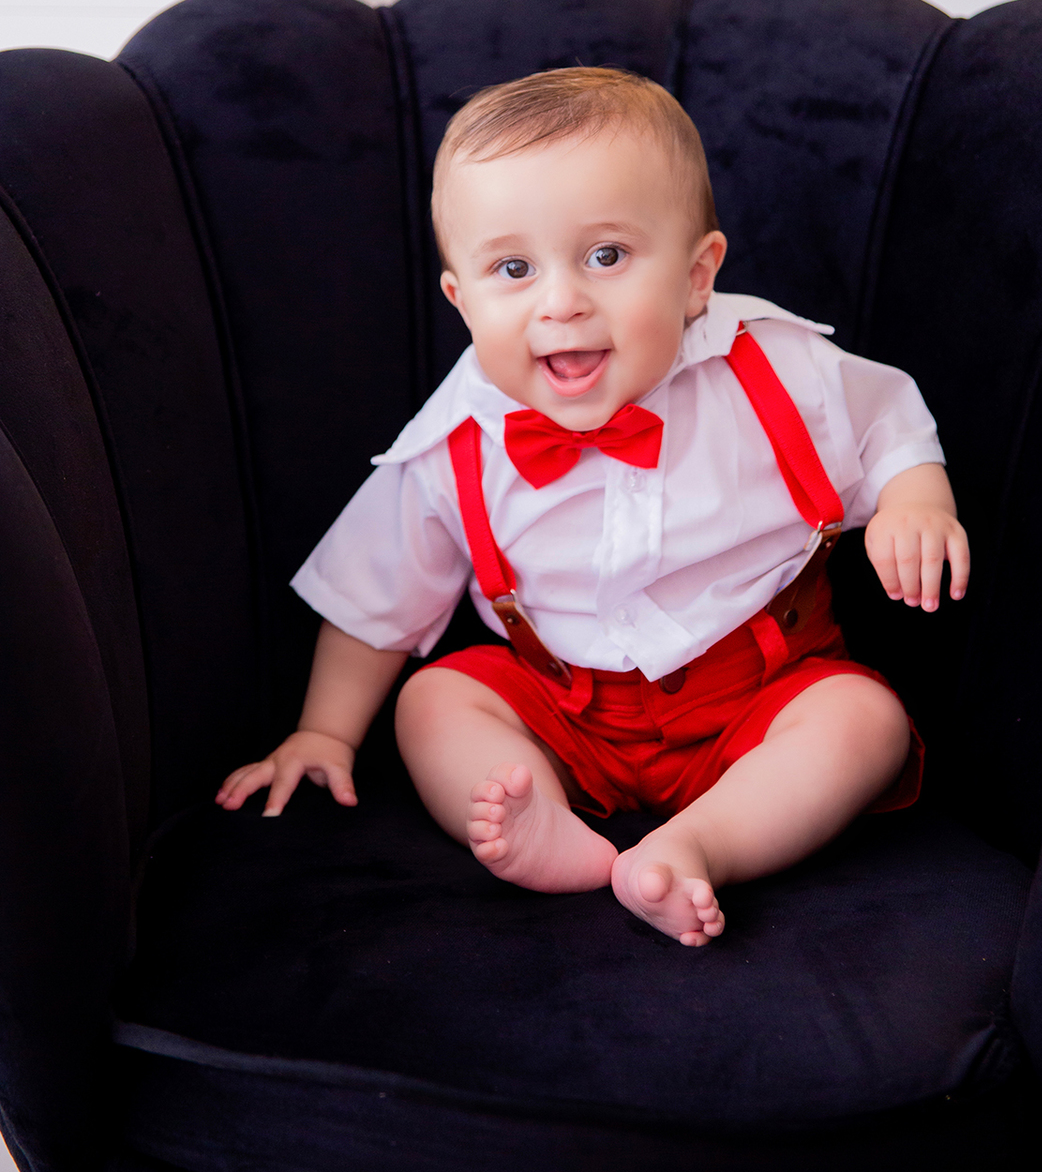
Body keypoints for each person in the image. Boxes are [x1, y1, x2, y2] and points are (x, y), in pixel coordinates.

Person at [217, 68, 969, 946]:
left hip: (760, 692)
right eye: (512, 268)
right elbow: (371, 598)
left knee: (862, 722)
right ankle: (542, 831)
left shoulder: (775, 369)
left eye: (606, 256)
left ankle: (702, 843)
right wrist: (323, 732)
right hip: (565, 709)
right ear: (462, 300)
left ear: (697, 277)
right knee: (434, 702)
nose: (561, 300)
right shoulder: (456, 439)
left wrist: (915, 499)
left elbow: (889, 420)